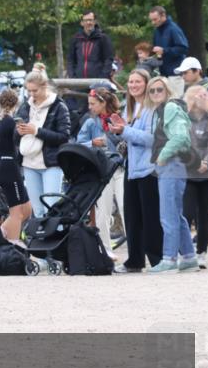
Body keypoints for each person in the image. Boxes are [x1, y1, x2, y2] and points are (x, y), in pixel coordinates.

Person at [111, 69, 163, 273]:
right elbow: (128, 136)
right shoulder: (129, 108)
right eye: (131, 82)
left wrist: (125, 131)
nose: (133, 85)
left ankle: (157, 259)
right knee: (132, 216)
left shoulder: (153, 109)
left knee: (150, 217)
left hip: (150, 168)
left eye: (137, 82)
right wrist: (118, 131)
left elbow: (152, 139)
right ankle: (134, 260)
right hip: (131, 168)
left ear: (147, 83)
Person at [146, 77, 197, 272]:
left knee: (168, 215)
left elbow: (181, 137)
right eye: (152, 91)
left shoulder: (170, 108)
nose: (156, 93)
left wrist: (163, 155)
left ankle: (169, 259)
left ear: (167, 91)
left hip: (171, 165)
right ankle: (189, 257)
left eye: (160, 89)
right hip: (170, 166)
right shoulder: (160, 111)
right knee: (175, 213)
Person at [15, 70, 70, 218]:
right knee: (38, 211)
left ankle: (56, 240)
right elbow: (15, 137)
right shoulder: (25, 106)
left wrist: (37, 131)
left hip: (50, 163)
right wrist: (18, 132)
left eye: (35, 90)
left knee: (51, 209)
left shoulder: (58, 106)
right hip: (29, 163)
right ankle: (41, 240)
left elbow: (64, 137)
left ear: (45, 86)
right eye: (29, 90)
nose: (32, 94)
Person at [76, 87, 124, 258]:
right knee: (102, 210)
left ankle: (135, 248)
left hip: (119, 167)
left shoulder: (118, 118)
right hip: (102, 170)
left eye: (93, 104)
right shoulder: (90, 122)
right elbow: (78, 143)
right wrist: (92, 143)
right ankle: (105, 249)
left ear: (103, 103)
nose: (90, 107)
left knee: (125, 207)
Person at [183, 86, 208, 269]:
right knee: (186, 214)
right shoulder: (185, 118)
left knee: (204, 215)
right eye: (198, 95)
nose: (201, 98)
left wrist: (207, 163)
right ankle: (186, 251)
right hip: (189, 173)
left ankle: (201, 252)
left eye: (205, 95)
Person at [0, 90, 32, 241]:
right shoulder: (10, 122)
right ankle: (14, 247)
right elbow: (20, 143)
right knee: (17, 213)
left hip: (4, 165)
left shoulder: (1, 120)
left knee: (27, 209)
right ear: (16, 103)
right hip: (9, 168)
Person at [150, 6, 190, 94]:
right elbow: (156, 50)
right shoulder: (157, 31)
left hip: (175, 75)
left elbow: (183, 48)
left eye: (155, 19)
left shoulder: (173, 29)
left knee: (176, 102)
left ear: (163, 15)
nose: (153, 22)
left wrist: (164, 50)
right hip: (163, 75)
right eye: (151, 20)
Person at [67, 11, 114, 80]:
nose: (88, 23)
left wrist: (102, 78)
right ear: (82, 23)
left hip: (98, 84)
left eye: (90, 20)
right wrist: (72, 77)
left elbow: (108, 60)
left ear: (95, 22)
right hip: (78, 83)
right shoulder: (76, 39)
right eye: (86, 20)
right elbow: (70, 60)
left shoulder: (103, 38)